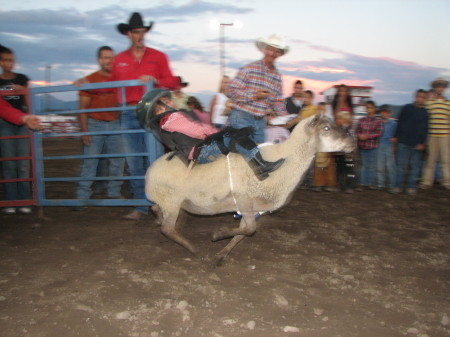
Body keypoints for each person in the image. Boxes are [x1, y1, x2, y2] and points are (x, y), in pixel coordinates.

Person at [111, 12, 179, 220]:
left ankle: (162, 205)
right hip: (128, 112)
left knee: (156, 159)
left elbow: (173, 81)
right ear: (128, 34)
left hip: (151, 112)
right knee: (134, 161)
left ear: (145, 33)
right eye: (135, 32)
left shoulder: (158, 56)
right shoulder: (119, 60)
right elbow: (113, 87)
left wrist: (155, 80)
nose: (139, 35)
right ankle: (141, 205)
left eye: (141, 32)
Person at [136, 88, 285, 181]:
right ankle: (260, 167)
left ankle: (258, 167)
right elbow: (198, 131)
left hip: (197, 151)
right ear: (160, 107)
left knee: (235, 134)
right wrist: (221, 133)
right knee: (236, 136)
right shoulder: (173, 118)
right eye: (167, 100)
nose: (173, 102)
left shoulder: (164, 123)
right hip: (202, 151)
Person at [75, 46, 125, 203]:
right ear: (99, 60)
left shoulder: (120, 79)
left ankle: (114, 192)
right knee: (90, 161)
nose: (109, 61)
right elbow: (82, 109)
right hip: (95, 124)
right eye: (105, 57)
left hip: (115, 122)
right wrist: (84, 131)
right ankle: (82, 196)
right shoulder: (90, 80)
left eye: (111, 57)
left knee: (117, 161)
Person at [226, 34, 289, 144]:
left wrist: (286, 116)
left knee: (259, 150)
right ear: (265, 50)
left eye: (277, 51)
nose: (273, 53)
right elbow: (231, 90)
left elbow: (277, 101)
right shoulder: (250, 69)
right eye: (271, 49)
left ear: (280, 54)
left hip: (260, 120)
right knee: (247, 151)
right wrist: (255, 95)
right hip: (242, 116)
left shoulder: (277, 77)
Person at [0, 45, 32, 214]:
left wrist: (24, 91)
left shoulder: (22, 78)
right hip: (4, 123)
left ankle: (25, 199)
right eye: (6, 60)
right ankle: (11, 200)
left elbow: (29, 100)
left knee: (23, 163)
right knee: (9, 163)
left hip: (21, 123)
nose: (9, 63)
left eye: (11, 60)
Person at [392, 89, 428, 195]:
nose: (420, 99)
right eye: (418, 96)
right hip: (403, 141)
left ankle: (411, 186)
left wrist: (422, 143)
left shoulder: (425, 112)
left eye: (422, 97)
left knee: (415, 166)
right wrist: (396, 136)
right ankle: (397, 186)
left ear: (425, 99)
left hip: (417, 144)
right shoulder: (407, 108)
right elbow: (400, 122)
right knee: (400, 165)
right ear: (415, 97)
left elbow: (425, 129)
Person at [419, 77, 450, 190]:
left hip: (445, 136)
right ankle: (426, 182)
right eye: (438, 85)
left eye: (442, 85)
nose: (440, 87)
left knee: (445, 160)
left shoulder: (448, 103)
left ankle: (447, 182)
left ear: (445, 88)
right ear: (435, 88)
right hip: (432, 135)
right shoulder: (429, 103)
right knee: (430, 159)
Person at [355, 100, 383, 190]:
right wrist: (359, 136)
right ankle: (362, 183)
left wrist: (367, 136)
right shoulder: (361, 120)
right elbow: (356, 131)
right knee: (363, 165)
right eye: (367, 107)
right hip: (363, 146)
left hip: (372, 146)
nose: (369, 109)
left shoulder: (378, 121)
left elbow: (379, 132)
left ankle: (370, 183)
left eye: (371, 107)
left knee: (372, 165)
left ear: (374, 109)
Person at [312, 103, 338, 192]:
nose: (321, 111)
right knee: (319, 165)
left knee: (330, 166)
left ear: (326, 110)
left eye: (322, 109)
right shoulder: (314, 121)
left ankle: (330, 184)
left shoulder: (330, 120)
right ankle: (319, 184)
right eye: (319, 109)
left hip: (328, 145)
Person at [334, 110, 357, 193]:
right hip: (339, 153)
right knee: (340, 169)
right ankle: (342, 185)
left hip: (347, 154)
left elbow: (352, 141)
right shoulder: (338, 130)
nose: (337, 120)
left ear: (344, 120)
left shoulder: (348, 130)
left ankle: (349, 186)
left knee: (348, 170)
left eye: (339, 119)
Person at [376, 107, 397, 191]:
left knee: (390, 166)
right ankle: (380, 184)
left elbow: (397, 133)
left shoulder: (393, 123)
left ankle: (392, 185)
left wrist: (395, 138)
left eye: (386, 112)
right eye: (383, 112)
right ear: (381, 113)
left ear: (389, 113)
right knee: (379, 166)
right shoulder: (378, 122)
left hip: (389, 145)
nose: (384, 114)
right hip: (379, 144)